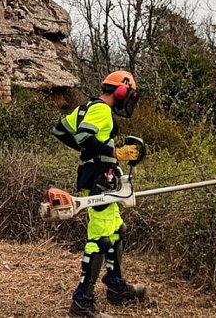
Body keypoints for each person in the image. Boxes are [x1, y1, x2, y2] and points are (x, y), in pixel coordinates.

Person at [51, 71, 147, 318]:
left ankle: (115, 286)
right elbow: (83, 135)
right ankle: (82, 302)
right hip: (98, 178)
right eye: (130, 96)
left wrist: (90, 153)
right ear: (121, 91)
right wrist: (113, 153)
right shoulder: (102, 110)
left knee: (116, 229)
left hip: (101, 174)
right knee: (101, 238)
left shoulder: (86, 107)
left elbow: (61, 130)